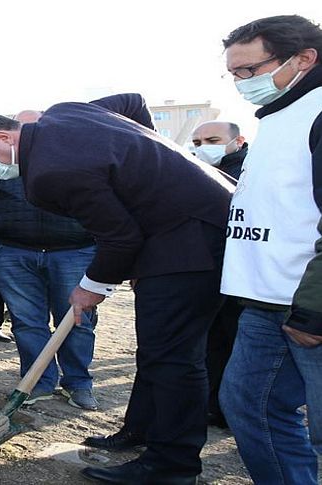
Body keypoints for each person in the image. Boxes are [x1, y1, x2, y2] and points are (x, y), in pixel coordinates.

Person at [0, 93, 233, 484]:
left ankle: (172, 465)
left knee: (174, 358)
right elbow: (132, 102)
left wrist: (91, 286)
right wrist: (146, 166)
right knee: (156, 349)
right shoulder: (66, 113)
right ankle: (142, 431)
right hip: (186, 226)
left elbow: (120, 238)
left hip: (191, 239)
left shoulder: (49, 174)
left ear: (4, 137)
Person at [218, 15, 322, 484]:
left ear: (304, 59)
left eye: (249, 71)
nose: (241, 84)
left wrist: (314, 310)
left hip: (306, 309)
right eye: (234, 73)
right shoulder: (281, 114)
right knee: (249, 405)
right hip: (267, 303)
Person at [0, 109, 100, 409]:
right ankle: (38, 382)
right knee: (27, 323)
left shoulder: (78, 160)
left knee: (77, 321)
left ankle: (78, 382)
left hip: (73, 253)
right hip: (13, 253)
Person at [190, 120, 248, 428]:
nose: (203, 147)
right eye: (197, 143)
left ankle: (231, 410)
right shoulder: (196, 172)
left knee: (237, 344)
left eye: (212, 139)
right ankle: (214, 405)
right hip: (211, 272)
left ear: (237, 141)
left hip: (245, 279)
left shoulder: (252, 172)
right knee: (212, 343)